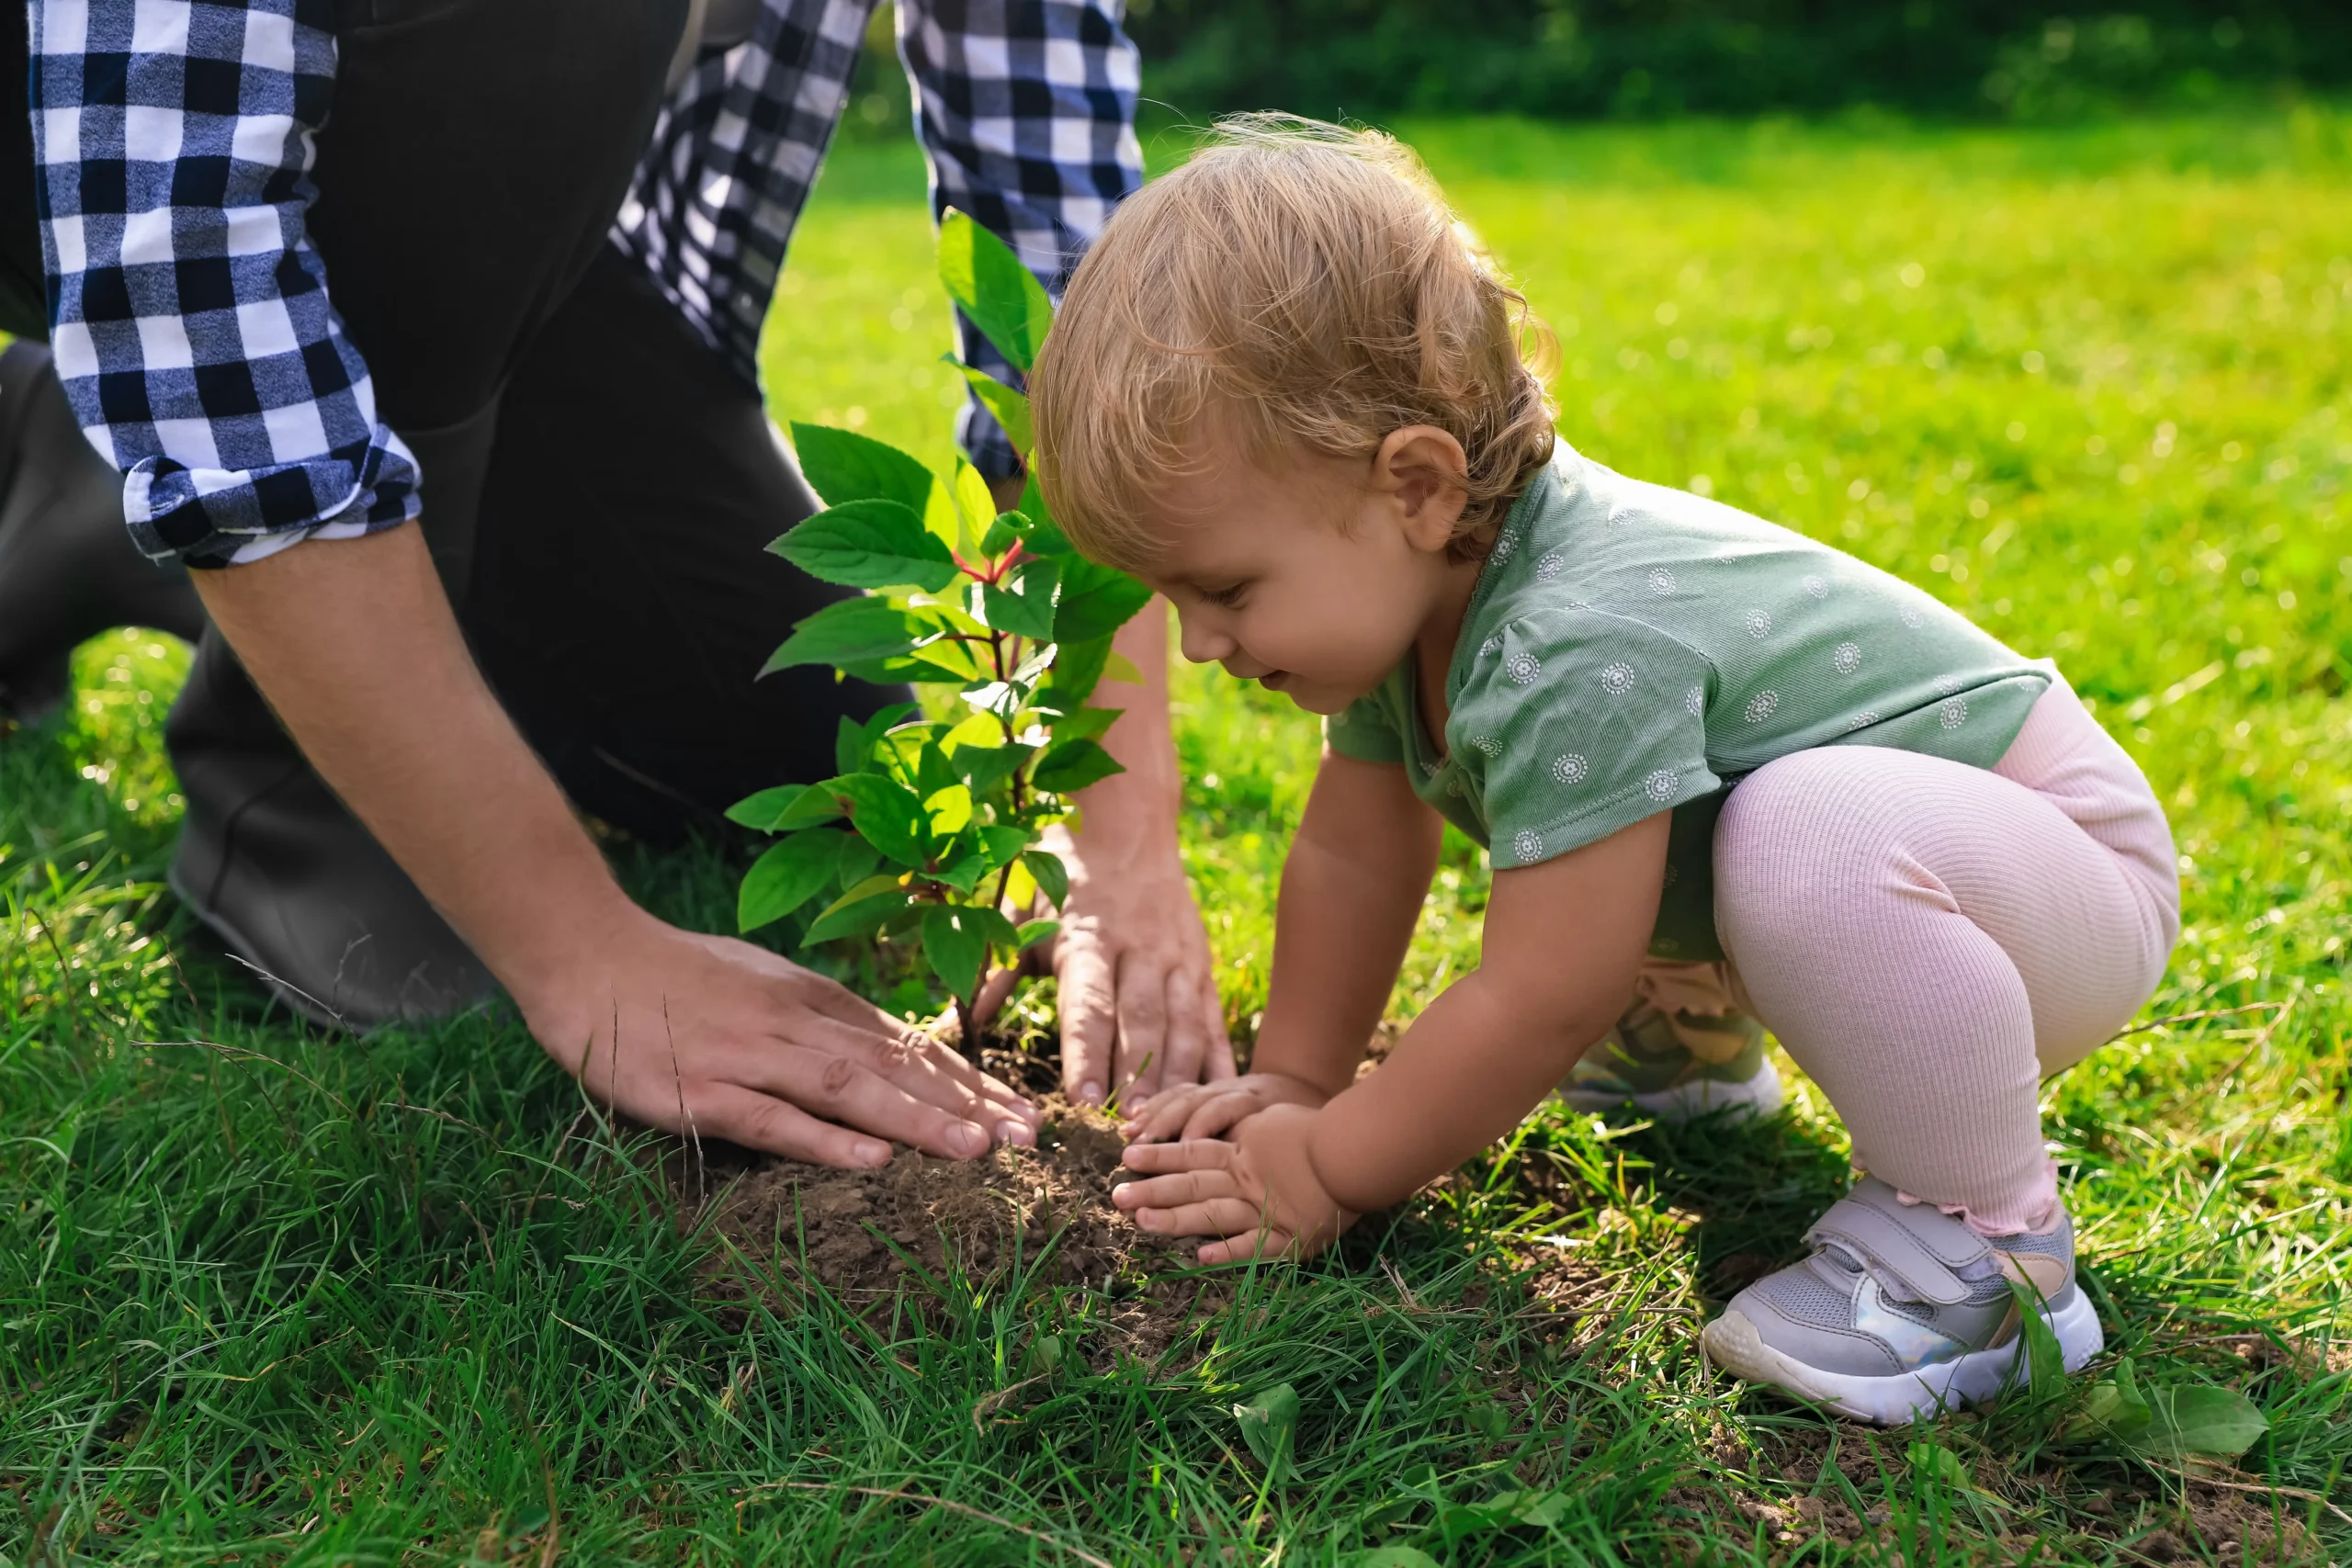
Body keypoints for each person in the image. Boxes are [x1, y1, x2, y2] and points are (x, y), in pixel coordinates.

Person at [1029, 117, 2180, 1425]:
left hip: (2053, 876)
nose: (1201, 641)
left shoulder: (1572, 631)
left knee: (1800, 827)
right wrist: (1297, 1078)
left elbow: (1541, 991)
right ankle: (1686, 1042)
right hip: (1947, 883)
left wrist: (1332, 1167)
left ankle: (1987, 1251)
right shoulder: (1425, 600)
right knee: (1724, 818)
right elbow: (1358, 852)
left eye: (1225, 586)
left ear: (1414, 484)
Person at [0, 0, 1230, 1168]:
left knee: (801, 740)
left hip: (532, 266)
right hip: (105, 161)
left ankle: (86, 457)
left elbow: (1047, 211)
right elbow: (178, 249)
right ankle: (290, 796)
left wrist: (1116, 830)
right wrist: (585, 950)